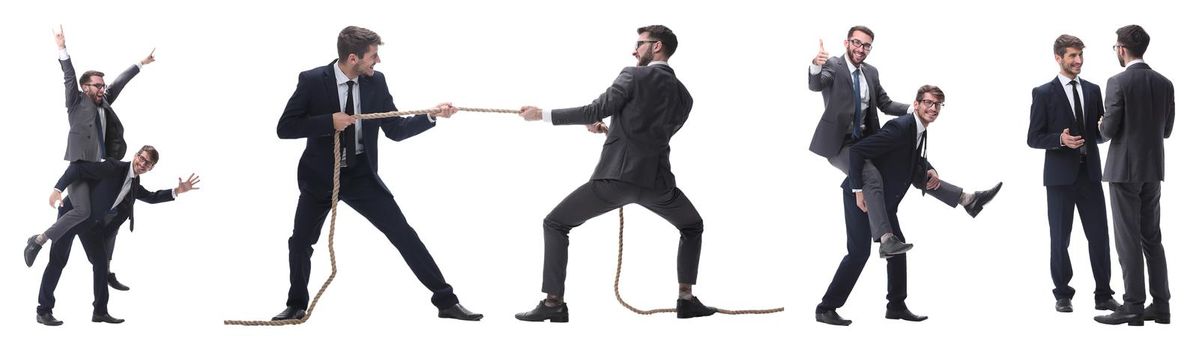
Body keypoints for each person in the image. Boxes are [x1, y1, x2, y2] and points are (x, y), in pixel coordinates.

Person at [271, 26, 481, 322]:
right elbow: (285, 128)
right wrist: (328, 121)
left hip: (360, 176)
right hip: (319, 178)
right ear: (353, 58)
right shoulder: (312, 80)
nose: (378, 61)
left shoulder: (376, 82)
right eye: (373, 55)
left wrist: (431, 115)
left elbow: (395, 130)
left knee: (403, 234)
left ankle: (446, 301)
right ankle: (296, 304)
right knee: (301, 242)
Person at [513, 25, 716, 322]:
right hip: (657, 183)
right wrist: (610, 128)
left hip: (617, 179)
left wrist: (541, 115)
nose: (634, 50)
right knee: (692, 226)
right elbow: (652, 132)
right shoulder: (685, 96)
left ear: (656, 46)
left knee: (555, 224)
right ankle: (686, 299)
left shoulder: (632, 75)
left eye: (639, 43)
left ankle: (553, 302)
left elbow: (594, 110)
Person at [808, 26, 1001, 258]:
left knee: (910, 164)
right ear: (846, 43)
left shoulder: (871, 72)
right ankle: (886, 240)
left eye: (866, 45)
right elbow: (817, 84)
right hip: (840, 144)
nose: (861, 49)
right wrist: (816, 65)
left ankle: (967, 199)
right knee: (870, 174)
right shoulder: (833, 66)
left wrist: (916, 109)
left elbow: (885, 104)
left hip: (867, 140)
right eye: (856, 43)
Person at [817, 85, 981, 326]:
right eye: (927, 103)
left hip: (884, 201)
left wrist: (929, 167)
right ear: (916, 104)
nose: (932, 108)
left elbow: (909, 158)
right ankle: (826, 308)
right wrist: (858, 190)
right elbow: (858, 152)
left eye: (937, 105)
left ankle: (896, 306)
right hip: (861, 198)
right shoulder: (901, 126)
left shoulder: (918, 129)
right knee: (858, 253)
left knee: (897, 250)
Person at [26, 25, 157, 295]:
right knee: (82, 213)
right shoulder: (76, 101)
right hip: (79, 166)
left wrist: (139, 64)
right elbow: (68, 76)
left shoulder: (104, 102)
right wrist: (62, 48)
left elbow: (119, 82)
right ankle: (38, 240)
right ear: (86, 87)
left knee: (104, 215)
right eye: (97, 85)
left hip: (96, 169)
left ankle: (104, 271)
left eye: (102, 85)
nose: (102, 88)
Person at [36, 145, 199, 326]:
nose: (142, 164)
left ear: (151, 168)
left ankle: (100, 312)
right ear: (136, 155)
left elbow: (151, 197)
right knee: (58, 261)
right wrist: (58, 189)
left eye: (148, 163)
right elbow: (78, 169)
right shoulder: (113, 167)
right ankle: (43, 311)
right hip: (72, 215)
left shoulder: (134, 184)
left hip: (90, 225)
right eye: (142, 158)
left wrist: (177, 191)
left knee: (101, 262)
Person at [1027, 34, 1121, 314]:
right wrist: (1059, 140)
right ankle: (1063, 294)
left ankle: (1104, 295)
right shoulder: (1043, 93)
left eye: (1081, 55)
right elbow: (1033, 137)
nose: (1078, 60)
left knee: (1100, 236)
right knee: (1060, 238)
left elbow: (1099, 134)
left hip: (1090, 174)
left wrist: (1105, 130)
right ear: (1058, 57)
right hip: (1059, 177)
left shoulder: (1093, 90)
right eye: (1072, 56)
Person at [1094, 24, 1174, 326]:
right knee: (1151, 238)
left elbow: (1108, 130)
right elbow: (1166, 131)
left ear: (1122, 49)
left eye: (1116, 46)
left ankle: (1132, 306)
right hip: (1153, 170)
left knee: (1127, 239)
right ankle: (1162, 306)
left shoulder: (1117, 82)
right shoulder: (1165, 83)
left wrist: (1101, 123)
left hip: (1124, 170)